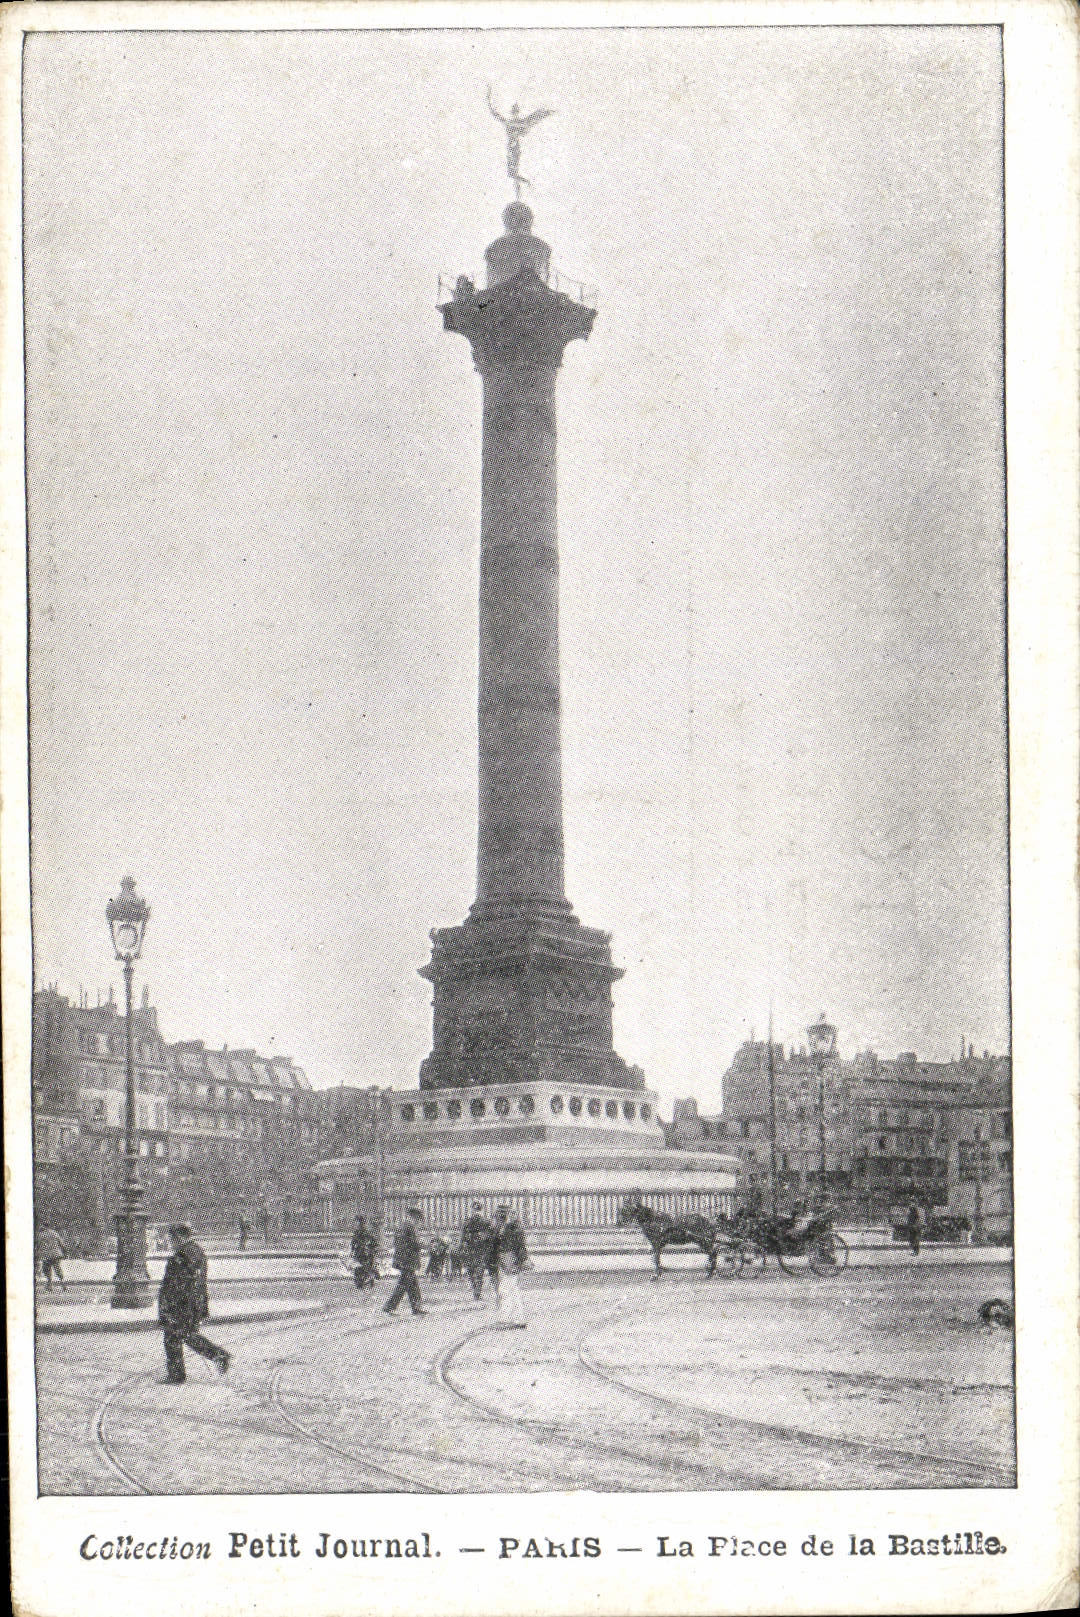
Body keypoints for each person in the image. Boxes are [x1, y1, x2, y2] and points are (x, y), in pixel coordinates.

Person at [158, 1223, 230, 1383]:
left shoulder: (181, 1257)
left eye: (173, 1239)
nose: (171, 1242)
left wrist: (168, 1307)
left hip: (181, 1305)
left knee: (176, 1337)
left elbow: (175, 1286)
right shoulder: (197, 1252)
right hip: (192, 1304)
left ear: (180, 1238)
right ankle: (216, 1356)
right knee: (183, 1336)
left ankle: (179, 1374)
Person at [383, 1208, 427, 1317]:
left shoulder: (401, 1226)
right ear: (414, 1218)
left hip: (403, 1260)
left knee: (412, 1285)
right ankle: (389, 1306)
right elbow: (414, 1244)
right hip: (408, 1260)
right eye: (418, 1219)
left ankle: (416, 1307)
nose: (419, 1222)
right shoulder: (410, 1228)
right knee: (403, 1285)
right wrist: (425, 1245)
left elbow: (399, 1243)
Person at [493, 1205, 529, 1328]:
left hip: (509, 1261)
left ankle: (516, 1318)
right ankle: (508, 1316)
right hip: (506, 1262)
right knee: (506, 1289)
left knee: (510, 1289)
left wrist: (521, 1261)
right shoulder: (506, 1228)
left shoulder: (512, 1229)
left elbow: (520, 1248)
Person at [461, 1201, 494, 1301]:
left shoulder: (486, 1222)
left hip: (479, 1251)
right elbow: (462, 1236)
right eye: (475, 1210)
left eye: (477, 1210)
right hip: (471, 1251)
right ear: (472, 1210)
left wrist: (483, 1237)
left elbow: (490, 1236)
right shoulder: (468, 1221)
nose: (476, 1212)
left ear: (480, 1210)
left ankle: (477, 1292)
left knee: (478, 1272)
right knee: (472, 1271)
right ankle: (476, 1289)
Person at [350, 1214, 378, 1289]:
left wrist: (369, 1248)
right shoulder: (359, 1231)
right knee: (362, 1267)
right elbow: (354, 1242)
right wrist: (352, 1250)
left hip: (364, 1253)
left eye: (356, 1221)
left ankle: (366, 1279)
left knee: (363, 1267)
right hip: (361, 1252)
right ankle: (364, 1280)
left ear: (360, 1222)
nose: (355, 1223)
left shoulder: (363, 1230)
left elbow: (373, 1241)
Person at [36, 1227, 66, 1291]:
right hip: (56, 1254)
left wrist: (38, 1254)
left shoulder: (40, 1235)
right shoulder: (54, 1233)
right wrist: (63, 1251)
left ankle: (49, 1286)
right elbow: (61, 1243)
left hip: (46, 1255)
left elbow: (37, 1246)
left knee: (47, 1270)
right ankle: (63, 1283)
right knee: (57, 1268)